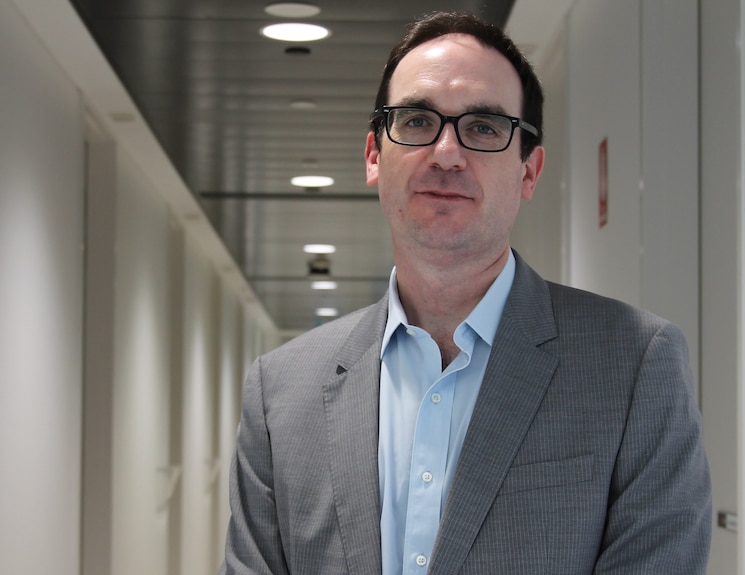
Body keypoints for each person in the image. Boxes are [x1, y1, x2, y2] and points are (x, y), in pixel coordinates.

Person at [220, 11, 711, 575]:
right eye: (417, 120)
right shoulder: (281, 392)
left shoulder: (633, 366)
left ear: (529, 171)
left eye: (483, 127)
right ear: (374, 156)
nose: (446, 152)